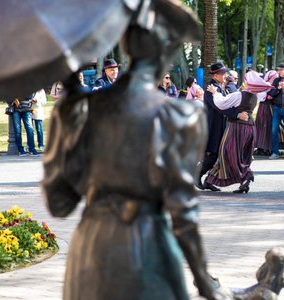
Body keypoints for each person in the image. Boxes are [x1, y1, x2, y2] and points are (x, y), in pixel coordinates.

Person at [42, 1, 230, 298]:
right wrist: (204, 281)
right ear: (167, 51)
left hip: (89, 249)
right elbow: (183, 212)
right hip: (146, 249)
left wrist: (65, 119)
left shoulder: (84, 110)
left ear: (126, 46)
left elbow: (59, 203)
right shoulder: (180, 116)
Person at [204, 71, 273, 193]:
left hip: (236, 128)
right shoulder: (254, 96)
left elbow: (221, 103)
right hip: (250, 128)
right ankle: (214, 180)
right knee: (242, 155)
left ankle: (245, 176)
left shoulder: (239, 95)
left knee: (229, 153)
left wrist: (215, 93)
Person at [196, 62, 248, 191]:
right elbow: (220, 108)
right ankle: (198, 174)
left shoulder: (219, 86)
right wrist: (237, 115)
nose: (225, 75)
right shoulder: (211, 88)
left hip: (221, 124)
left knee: (220, 153)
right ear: (216, 75)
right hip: (214, 124)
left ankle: (209, 180)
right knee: (214, 153)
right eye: (222, 73)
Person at [254, 70, 281, 155]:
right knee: (263, 127)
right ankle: (262, 147)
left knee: (271, 127)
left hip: (273, 108)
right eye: (274, 77)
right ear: (270, 77)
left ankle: (270, 147)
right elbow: (262, 97)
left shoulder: (275, 85)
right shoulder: (264, 86)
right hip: (265, 108)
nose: (276, 78)